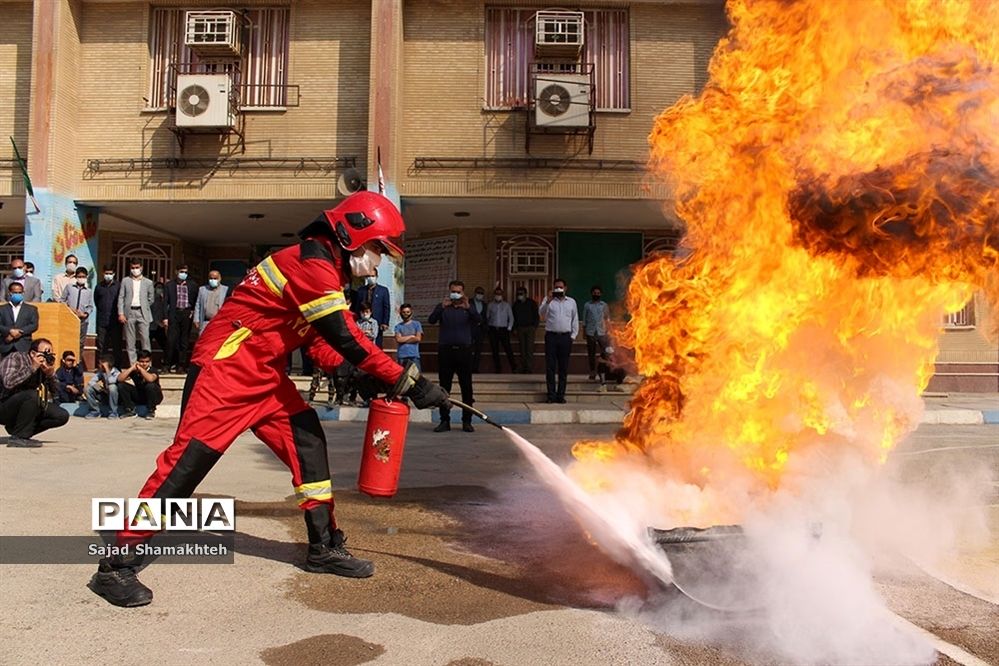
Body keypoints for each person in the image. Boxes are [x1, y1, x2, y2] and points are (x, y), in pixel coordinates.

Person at [88, 191, 449, 608]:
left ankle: (323, 547)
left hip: (264, 376)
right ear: (353, 236)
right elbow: (345, 337)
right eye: (377, 249)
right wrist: (410, 383)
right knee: (184, 469)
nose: (379, 261)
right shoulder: (312, 265)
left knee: (308, 441)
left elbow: (317, 341)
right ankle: (115, 565)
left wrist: (357, 377)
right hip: (225, 373)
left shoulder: (324, 270)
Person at [428, 280, 479, 433]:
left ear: (463, 293)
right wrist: (441, 307)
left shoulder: (469, 307)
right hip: (446, 351)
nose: (455, 294)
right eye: (453, 291)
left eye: (458, 291)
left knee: (467, 388)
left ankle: (467, 421)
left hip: (464, 351)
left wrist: (469, 308)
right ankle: (444, 421)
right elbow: (431, 320)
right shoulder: (443, 307)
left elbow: (479, 321)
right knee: (444, 388)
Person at [0, 338, 69, 447]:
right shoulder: (16, 358)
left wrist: (50, 375)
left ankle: (18, 431)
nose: (47, 358)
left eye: (50, 355)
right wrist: (32, 367)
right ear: (33, 353)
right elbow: (8, 383)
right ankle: (19, 437)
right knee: (33, 395)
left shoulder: (44, 367)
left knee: (61, 415)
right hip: (4, 406)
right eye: (44, 354)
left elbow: (56, 392)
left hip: (28, 406)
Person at [539, 278, 578, 404]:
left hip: (565, 337)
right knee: (550, 367)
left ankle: (560, 395)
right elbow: (541, 314)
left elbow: (575, 319)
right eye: (556, 287)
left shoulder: (571, 302)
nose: (558, 289)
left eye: (561, 287)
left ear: (565, 288)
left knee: (563, 367)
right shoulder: (548, 300)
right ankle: (551, 395)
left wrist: (573, 336)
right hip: (551, 336)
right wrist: (548, 301)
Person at [117, 259, 154, 366]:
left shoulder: (148, 282)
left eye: (137, 267)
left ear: (141, 268)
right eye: (133, 268)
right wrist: (121, 313)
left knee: (145, 340)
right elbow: (121, 297)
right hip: (129, 313)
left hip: (143, 313)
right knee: (130, 341)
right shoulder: (125, 281)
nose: (135, 270)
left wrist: (144, 306)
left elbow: (151, 299)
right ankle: (133, 365)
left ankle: (147, 364)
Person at [164, 264, 199, 373]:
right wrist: (165, 317)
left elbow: (195, 300)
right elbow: (165, 302)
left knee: (184, 341)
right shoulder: (169, 285)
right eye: (181, 271)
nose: (183, 274)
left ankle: (181, 365)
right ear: (176, 272)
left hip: (186, 314)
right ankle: (167, 364)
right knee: (171, 341)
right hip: (174, 314)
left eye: (185, 272)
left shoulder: (192, 285)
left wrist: (193, 312)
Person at [117, 350, 163, 419]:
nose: (144, 364)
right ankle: (129, 409)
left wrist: (141, 370)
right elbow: (120, 379)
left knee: (150, 386)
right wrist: (132, 368)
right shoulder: (135, 370)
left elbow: (150, 379)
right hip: (140, 395)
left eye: (147, 362)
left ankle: (151, 411)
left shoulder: (153, 370)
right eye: (142, 361)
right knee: (121, 385)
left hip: (153, 396)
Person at [61, 266, 94, 360]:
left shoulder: (89, 291)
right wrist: (70, 310)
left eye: (83, 276)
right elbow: (62, 300)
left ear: (86, 277)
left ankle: (77, 360)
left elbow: (91, 306)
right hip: (70, 319)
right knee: (68, 340)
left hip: (83, 320)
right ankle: (67, 360)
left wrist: (85, 314)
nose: (81, 278)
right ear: (76, 277)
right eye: (79, 276)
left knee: (81, 342)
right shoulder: (69, 287)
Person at [351, 270, 390, 348]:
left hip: (377, 321)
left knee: (377, 345)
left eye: (373, 276)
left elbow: (386, 307)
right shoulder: (361, 290)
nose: (371, 278)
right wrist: (355, 320)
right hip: (362, 322)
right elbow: (357, 306)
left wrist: (385, 322)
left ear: (377, 276)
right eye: (369, 276)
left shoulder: (383, 290)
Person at [94, 265, 123, 368]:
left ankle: (117, 367)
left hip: (115, 321)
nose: (108, 275)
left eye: (110, 273)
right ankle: (102, 366)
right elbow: (96, 301)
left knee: (117, 345)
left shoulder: (119, 286)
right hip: (102, 321)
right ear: (103, 273)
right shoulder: (99, 287)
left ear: (114, 274)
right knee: (102, 346)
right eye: (106, 273)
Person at [0, 282, 39, 357]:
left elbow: (34, 325)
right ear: (10, 293)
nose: (18, 294)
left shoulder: (31, 309)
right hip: (6, 344)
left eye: (20, 292)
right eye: (15, 292)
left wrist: (20, 332)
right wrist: (9, 331)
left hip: (24, 346)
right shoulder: (2, 309)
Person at [85, 353, 129, 419]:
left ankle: (113, 412)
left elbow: (111, 381)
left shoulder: (116, 372)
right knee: (87, 389)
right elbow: (91, 382)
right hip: (106, 395)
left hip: (116, 398)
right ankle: (95, 411)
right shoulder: (101, 372)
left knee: (112, 387)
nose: (98, 365)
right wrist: (101, 389)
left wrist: (107, 369)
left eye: (100, 364)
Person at [583, 285, 611, 380]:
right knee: (591, 353)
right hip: (590, 332)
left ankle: (606, 372)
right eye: (595, 293)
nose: (596, 294)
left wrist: (608, 331)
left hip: (602, 332)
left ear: (601, 294)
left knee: (605, 353)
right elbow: (584, 320)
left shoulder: (604, 305)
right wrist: (584, 333)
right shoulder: (587, 305)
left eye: (598, 293)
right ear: (592, 294)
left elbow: (607, 319)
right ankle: (592, 372)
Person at [485, 287, 516, 373]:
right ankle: (498, 369)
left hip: (503, 330)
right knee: (495, 350)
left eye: (500, 294)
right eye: (497, 294)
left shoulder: (506, 305)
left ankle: (514, 367)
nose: (498, 296)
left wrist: (509, 328)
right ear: (494, 295)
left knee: (508, 349)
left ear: (502, 295)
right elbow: (487, 317)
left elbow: (511, 318)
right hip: (493, 329)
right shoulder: (490, 305)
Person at [512, 286, 539, 374]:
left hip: (530, 328)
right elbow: (514, 317)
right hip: (520, 328)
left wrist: (534, 326)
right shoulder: (516, 304)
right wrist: (514, 328)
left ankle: (529, 367)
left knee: (529, 349)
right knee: (522, 349)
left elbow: (536, 316)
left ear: (525, 294)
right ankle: (523, 367)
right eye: (518, 294)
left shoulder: (532, 303)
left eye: (521, 294)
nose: (519, 295)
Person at [393, 303, 423, 371]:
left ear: (411, 312)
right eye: (403, 312)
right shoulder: (398, 326)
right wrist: (411, 336)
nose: (406, 314)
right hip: (402, 356)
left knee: (416, 378)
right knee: (402, 378)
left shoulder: (417, 324)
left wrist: (404, 339)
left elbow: (418, 338)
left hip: (414, 355)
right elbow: (398, 339)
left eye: (407, 312)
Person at [470, 287, 487, 373]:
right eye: (478, 292)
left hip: (480, 330)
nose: (480, 294)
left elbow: (486, 317)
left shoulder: (484, 305)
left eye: (481, 293)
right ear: (475, 293)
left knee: (478, 350)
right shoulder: (469, 303)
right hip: (470, 329)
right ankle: (468, 367)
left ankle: (475, 368)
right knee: (468, 349)